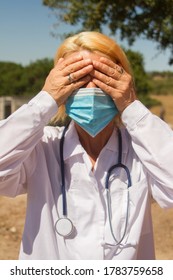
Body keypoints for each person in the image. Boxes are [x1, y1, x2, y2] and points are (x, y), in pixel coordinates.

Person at [0, 31, 173, 260]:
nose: (90, 85)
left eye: (101, 74)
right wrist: (46, 100)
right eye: (77, 75)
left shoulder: (142, 150)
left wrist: (132, 107)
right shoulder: (43, 146)